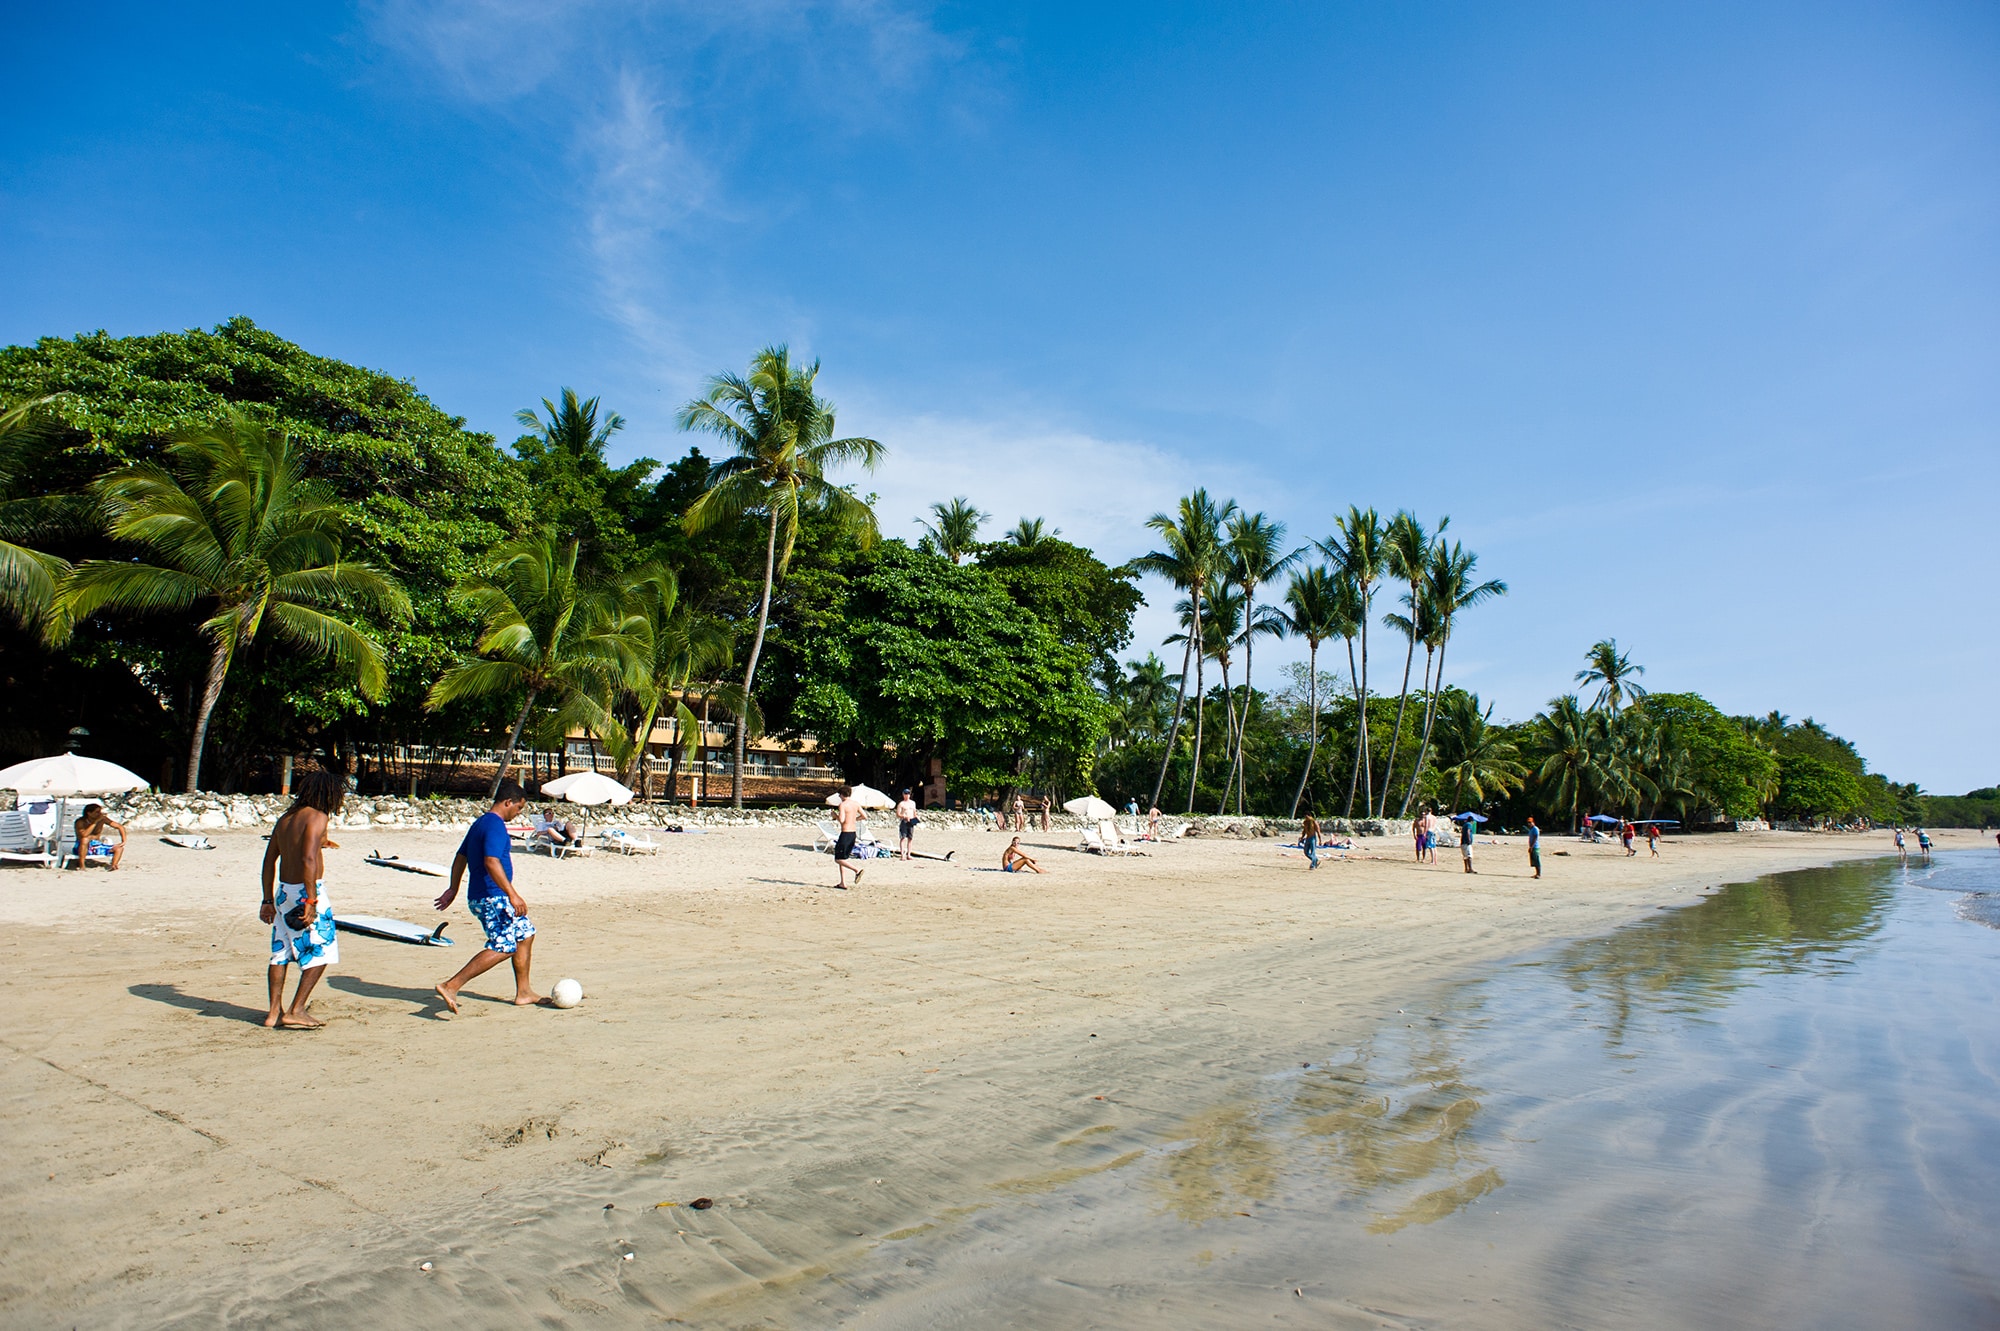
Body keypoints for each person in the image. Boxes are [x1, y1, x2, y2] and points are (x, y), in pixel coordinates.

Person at [432, 779, 546, 1011]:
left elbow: (460, 857)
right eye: (519, 808)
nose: (519, 813)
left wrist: (453, 888)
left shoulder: (480, 823)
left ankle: (523, 993)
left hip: (486, 895)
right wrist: (512, 894)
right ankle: (451, 985)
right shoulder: (494, 825)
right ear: (508, 802)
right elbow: (491, 861)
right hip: (492, 897)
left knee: (525, 934)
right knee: (504, 946)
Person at [259, 771, 345, 1029]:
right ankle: (297, 1009)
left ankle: (274, 1012)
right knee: (323, 950)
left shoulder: (285, 819)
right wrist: (311, 899)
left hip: (283, 892)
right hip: (306, 892)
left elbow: (269, 861)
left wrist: (266, 899)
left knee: (281, 952)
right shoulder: (318, 817)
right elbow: (308, 858)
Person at [71, 802, 127, 871]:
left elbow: (120, 827)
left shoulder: (102, 819)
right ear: (89, 813)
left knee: (119, 848)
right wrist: (95, 822)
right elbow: (84, 835)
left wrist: (123, 841)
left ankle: (113, 865)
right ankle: (82, 865)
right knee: (85, 839)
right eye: (97, 812)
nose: (100, 814)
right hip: (81, 847)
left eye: (100, 812)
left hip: (96, 846)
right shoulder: (80, 822)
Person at [832, 785, 867, 888]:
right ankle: (843, 882)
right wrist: (854, 820)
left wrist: (835, 816)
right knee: (843, 858)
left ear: (842, 795)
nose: (840, 797)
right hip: (853, 833)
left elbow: (842, 820)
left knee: (838, 859)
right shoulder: (855, 804)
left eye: (840, 795)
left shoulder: (843, 805)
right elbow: (864, 816)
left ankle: (856, 870)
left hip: (845, 833)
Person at [895, 789, 919, 861]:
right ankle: (902, 855)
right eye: (905, 794)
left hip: (911, 821)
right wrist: (904, 816)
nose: (907, 795)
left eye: (908, 794)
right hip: (904, 821)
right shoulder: (901, 804)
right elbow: (898, 814)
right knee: (903, 838)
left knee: (910, 838)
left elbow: (914, 812)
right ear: (903, 794)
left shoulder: (913, 803)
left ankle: (909, 854)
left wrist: (916, 817)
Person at [1526, 815, 1541, 880]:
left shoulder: (1535, 829)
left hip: (1535, 847)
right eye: (1528, 823)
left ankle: (1539, 874)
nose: (1529, 824)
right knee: (1534, 861)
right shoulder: (1531, 829)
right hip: (1532, 846)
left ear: (1533, 822)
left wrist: (1531, 847)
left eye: (1530, 822)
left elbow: (1535, 838)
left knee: (1537, 861)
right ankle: (1536, 873)